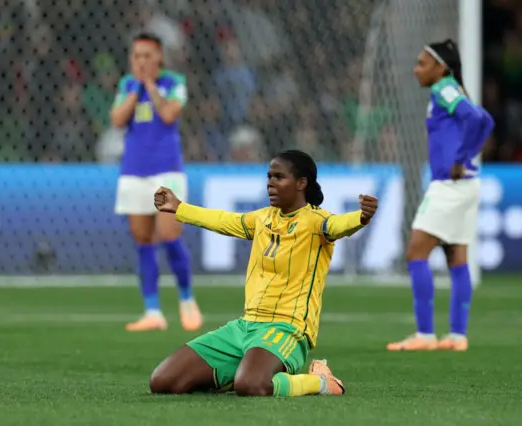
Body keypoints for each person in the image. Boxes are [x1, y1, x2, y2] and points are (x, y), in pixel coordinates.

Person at [149, 150, 379, 396]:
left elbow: (339, 225)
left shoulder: (316, 222)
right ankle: (241, 371)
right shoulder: (262, 219)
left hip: (286, 329)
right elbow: (222, 219)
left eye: (279, 177)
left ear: (301, 183)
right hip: (245, 326)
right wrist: (179, 208)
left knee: (252, 386)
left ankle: (321, 381)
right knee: (163, 382)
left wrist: (362, 217)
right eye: (269, 176)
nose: (270, 183)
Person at [387, 40, 495, 352]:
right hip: (467, 185)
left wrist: (460, 158)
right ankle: (457, 336)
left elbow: (476, 120)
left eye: (422, 63)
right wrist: (468, 156)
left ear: (441, 68)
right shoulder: (453, 88)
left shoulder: (443, 89)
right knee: (456, 258)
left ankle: (425, 334)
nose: (415, 69)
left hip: (448, 185)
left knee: (415, 254)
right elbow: (486, 119)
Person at [110, 32, 201, 332]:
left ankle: (187, 300)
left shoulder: (173, 83)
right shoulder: (127, 85)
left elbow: (169, 114)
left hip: (166, 171)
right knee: (143, 241)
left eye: (147, 56)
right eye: (136, 56)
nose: (141, 61)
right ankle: (152, 311)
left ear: (159, 57)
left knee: (170, 235)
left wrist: (150, 85)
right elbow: (117, 119)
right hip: (134, 170)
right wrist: (137, 88)